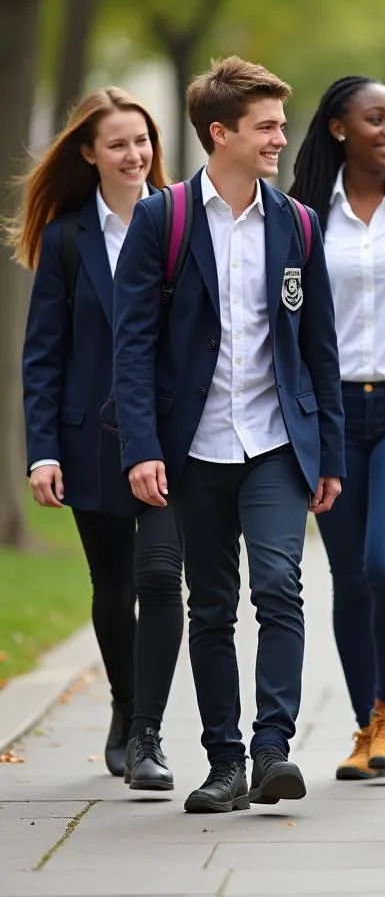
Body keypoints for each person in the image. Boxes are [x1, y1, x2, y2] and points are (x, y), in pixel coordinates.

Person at [113, 57, 346, 814]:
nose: (283, 137)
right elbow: (133, 344)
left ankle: (274, 749)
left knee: (280, 587)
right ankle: (225, 762)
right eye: (269, 125)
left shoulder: (297, 223)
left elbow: (319, 350)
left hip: (277, 444)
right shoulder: (164, 219)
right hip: (193, 448)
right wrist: (142, 448)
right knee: (211, 605)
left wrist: (329, 455)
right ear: (222, 133)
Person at [15, 87, 184, 790]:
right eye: (118, 143)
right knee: (113, 587)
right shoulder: (65, 240)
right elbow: (43, 354)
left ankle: (147, 731)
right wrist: (43, 450)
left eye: (142, 141)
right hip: (90, 442)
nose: (134, 154)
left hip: (170, 439)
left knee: (159, 577)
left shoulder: (179, 225)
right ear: (89, 153)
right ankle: (123, 704)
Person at [289, 76, 385, 781]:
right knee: (348, 578)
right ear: (337, 129)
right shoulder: (300, 216)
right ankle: (366, 727)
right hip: (332, 413)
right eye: (374, 118)